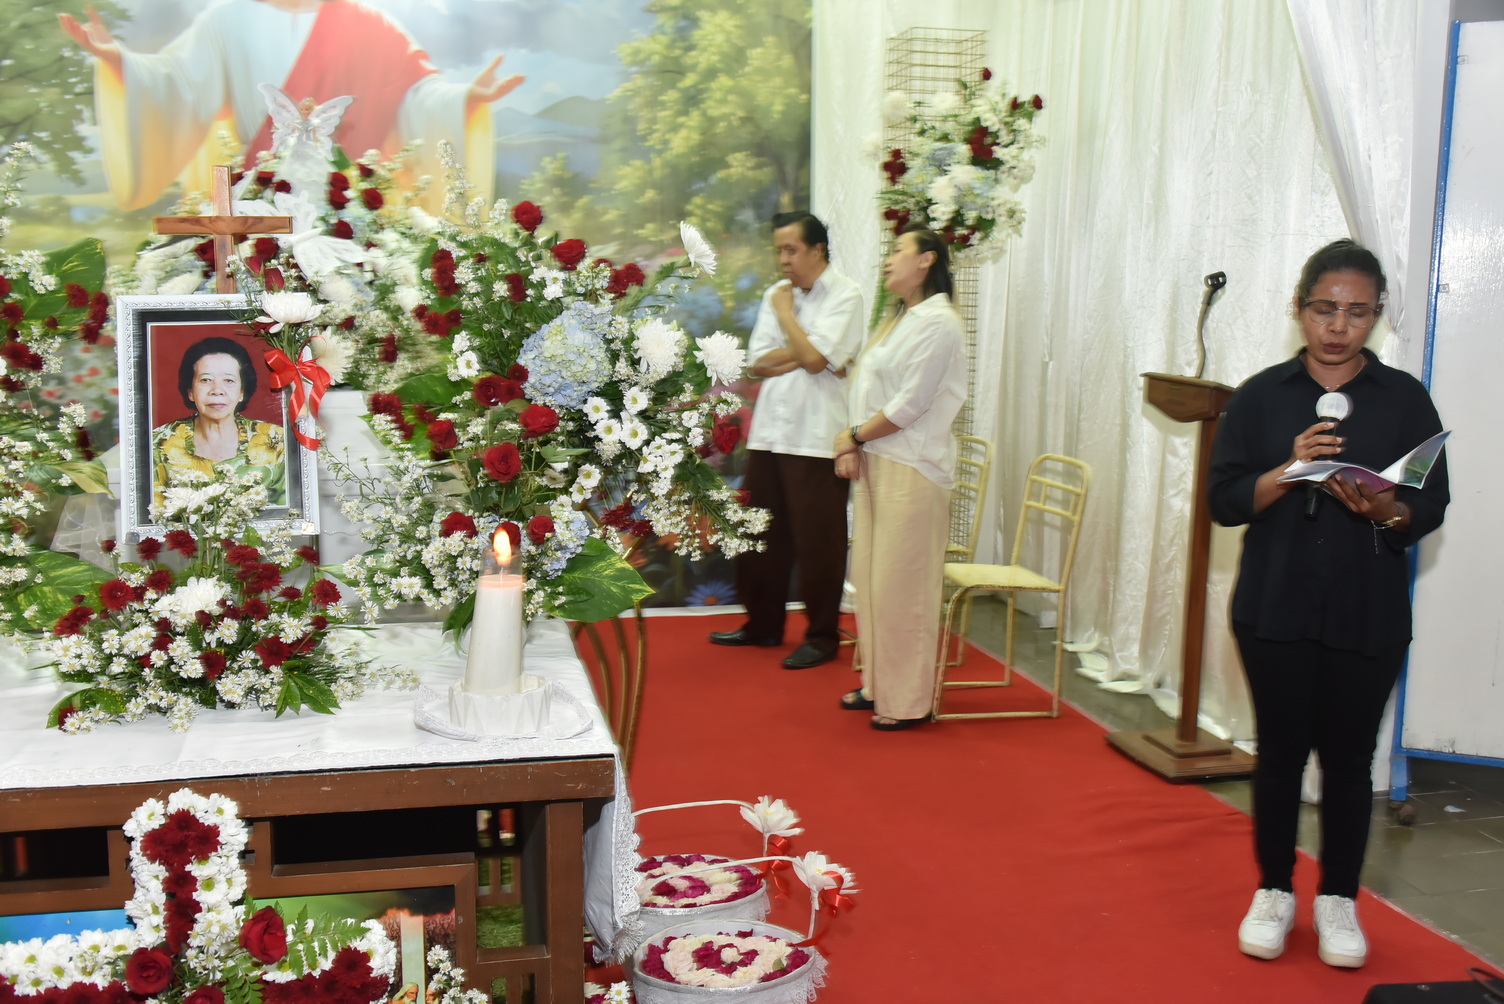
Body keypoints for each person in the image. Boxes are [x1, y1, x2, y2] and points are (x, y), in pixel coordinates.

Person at [1208, 240, 1449, 968]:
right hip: (1274, 605)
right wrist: (1288, 469)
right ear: (1299, 308)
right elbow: (1225, 501)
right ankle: (1274, 889)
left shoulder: (1405, 398)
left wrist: (1384, 509)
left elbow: (1429, 504)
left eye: (1357, 312)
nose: (1339, 327)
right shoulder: (1259, 396)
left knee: (1349, 759)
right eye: (1324, 309)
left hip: (1366, 610)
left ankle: (1339, 897)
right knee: (1280, 752)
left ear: (1376, 316)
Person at [59, 0, 523, 211]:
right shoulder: (227, 18)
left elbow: (414, 95)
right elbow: (177, 82)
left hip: (349, 204)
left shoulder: (368, 21)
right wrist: (119, 61)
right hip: (259, 195)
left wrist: (465, 98)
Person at [709, 211, 866, 669]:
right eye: (778, 250)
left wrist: (788, 322)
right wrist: (807, 349)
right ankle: (763, 625)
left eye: (791, 250)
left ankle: (821, 636)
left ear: (818, 249)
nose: (783, 260)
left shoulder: (846, 294)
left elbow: (816, 361)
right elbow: (758, 362)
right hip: (770, 434)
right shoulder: (775, 292)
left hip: (816, 436)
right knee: (759, 532)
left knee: (819, 542)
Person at [833, 227, 967, 729]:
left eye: (897, 251)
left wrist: (852, 436)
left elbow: (910, 405)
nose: (887, 260)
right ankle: (879, 686)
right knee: (873, 584)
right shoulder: (901, 319)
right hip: (879, 459)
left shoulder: (940, 322)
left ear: (926, 260)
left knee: (903, 588)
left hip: (912, 467)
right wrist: (855, 442)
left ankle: (908, 702)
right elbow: (868, 390)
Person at [152, 336, 288, 508]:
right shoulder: (158, 443)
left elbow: (289, 514)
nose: (217, 390)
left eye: (228, 380)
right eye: (205, 380)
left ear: (242, 392)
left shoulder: (277, 441)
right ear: (190, 391)